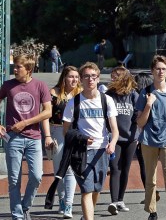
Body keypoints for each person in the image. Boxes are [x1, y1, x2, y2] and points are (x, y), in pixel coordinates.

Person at [0, 53, 53, 220]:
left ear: (29, 69)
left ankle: (25, 206)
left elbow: (48, 111)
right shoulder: (8, 85)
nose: (15, 70)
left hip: (34, 137)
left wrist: (26, 123)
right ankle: (18, 216)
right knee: (14, 180)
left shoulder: (40, 86)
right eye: (15, 67)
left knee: (36, 176)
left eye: (18, 67)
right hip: (13, 138)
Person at [62, 62, 119, 220]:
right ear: (81, 79)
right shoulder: (74, 102)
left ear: (98, 79)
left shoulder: (106, 100)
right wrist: (80, 140)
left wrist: (112, 143)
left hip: (102, 151)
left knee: (96, 189)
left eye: (93, 76)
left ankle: (88, 215)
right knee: (86, 189)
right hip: (82, 153)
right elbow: (66, 130)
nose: (90, 80)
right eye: (86, 76)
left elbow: (115, 130)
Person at [136, 55, 166, 220]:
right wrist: (148, 105)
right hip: (148, 140)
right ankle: (152, 211)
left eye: (163, 69)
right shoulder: (146, 92)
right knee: (151, 178)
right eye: (157, 69)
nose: (160, 72)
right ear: (152, 71)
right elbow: (140, 122)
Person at [44, 65, 82, 219]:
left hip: (75, 132)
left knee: (70, 169)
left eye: (76, 77)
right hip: (57, 131)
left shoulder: (80, 94)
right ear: (64, 78)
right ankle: (61, 199)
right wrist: (47, 135)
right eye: (71, 76)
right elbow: (46, 116)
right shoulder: (54, 93)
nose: (74, 80)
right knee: (59, 169)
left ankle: (68, 204)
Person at [105, 67, 141, 215]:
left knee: (125, 169)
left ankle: (120, 200)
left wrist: (138, 135)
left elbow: (138, 116)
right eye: (112, 76)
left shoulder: (133, 94)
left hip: (130, 138)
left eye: (116, 76)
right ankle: (113, 202)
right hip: (115, 138)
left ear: (124, 78)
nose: (113, 78)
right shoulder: (108, 95)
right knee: (114, 168)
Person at [134, 72, 160, 205]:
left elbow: (139, 120)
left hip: (143, 136)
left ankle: (150, 194)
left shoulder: (140, 97)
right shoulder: (153, 95)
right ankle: (152, 192)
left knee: (144, 167)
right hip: (156, 135)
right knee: (151, 166)